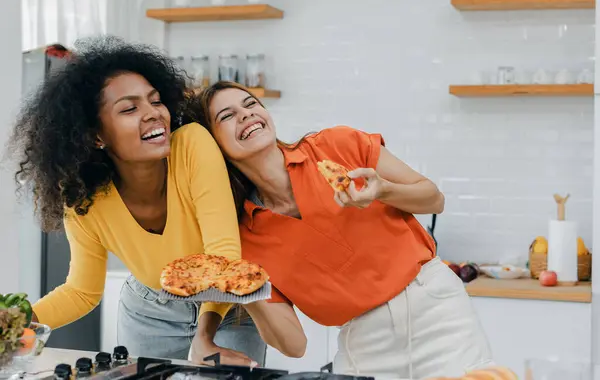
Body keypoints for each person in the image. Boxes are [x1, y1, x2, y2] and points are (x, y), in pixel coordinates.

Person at [7, 37, 297, 364]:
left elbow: (223, 260)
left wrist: (204, 337)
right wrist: (14, 320)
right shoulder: (83, 200)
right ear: (95, 136)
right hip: (149, 313)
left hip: (226, 309)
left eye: (155, 101)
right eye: (130, 109)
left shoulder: (191, 146)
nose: (153, 114)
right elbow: (81, 292)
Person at [188, 81, 495, 379]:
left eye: (251, 103)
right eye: (226, 116)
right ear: (212, 145)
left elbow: (433, 198)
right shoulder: (245, 238)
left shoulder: (335, 146)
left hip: (435, 310)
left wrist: (382, 190)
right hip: (363, 340)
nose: (246, 114)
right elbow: (295, 345)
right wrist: (244, 285)